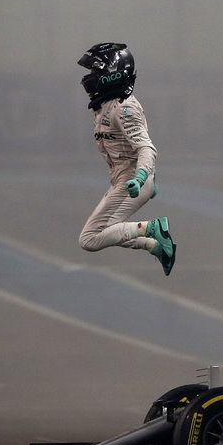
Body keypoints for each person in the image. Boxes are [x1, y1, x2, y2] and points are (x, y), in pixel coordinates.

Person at [75, 42, 176, 275]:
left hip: (132, 182)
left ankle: (153, 229)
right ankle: (155, 246)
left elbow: (146, 148)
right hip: (126, 180)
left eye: (95, 71)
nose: (89, 78)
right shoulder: (106, 105)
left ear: (113, 74)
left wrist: (141, 178)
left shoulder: (124, 108)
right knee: (108, 230)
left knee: (89, 239)